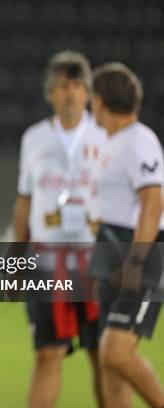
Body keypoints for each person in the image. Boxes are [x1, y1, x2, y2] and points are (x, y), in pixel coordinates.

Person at [13, 50, 107, 408]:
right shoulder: (34, 138)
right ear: (50, 92)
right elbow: (24, 200)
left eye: (78, 85)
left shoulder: (104, 135)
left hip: (99, 258)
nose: (70, 93)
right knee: (47, 354)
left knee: (104, 355)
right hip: (48, 261)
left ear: (88, 93)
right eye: (63, 86)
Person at [90, 62, 164, 408]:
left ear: (102, 101)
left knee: (115, 353)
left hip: (142, 255)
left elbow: (153, 204)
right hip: (112, 254)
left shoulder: (139, 141)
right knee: (110, 366)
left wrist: (136, 261)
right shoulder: (112, 143)